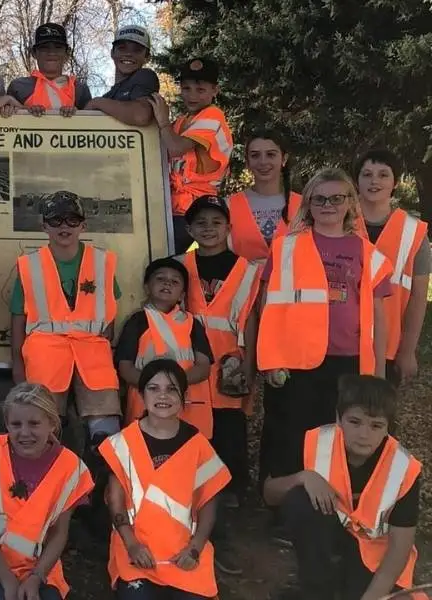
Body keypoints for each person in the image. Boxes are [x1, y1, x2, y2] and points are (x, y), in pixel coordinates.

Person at [256, 168, 394, 487]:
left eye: (336, 198)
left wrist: (378, 374)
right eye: (319, 198)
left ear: (350, 203)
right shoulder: (285, 248)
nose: (327, 204)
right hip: (294, 362)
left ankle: (333, 504)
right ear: (307, 204)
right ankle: (285, 509)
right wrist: (270, 360)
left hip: (346, 361)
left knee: (337, 437)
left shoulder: (367, 253)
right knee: (291, 435)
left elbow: (377, 316)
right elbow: (268, 308)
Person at [262, 375, 423, 600]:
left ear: (389, 428)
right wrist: (303, 477)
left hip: (376, 559)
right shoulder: (314, 440)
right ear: (339, 418)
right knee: (299, 500)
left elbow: (400, 546)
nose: (363, 434)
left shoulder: (404, 468)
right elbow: (270, 494)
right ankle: (317, 590)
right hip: (329, 543)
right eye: (354, 422)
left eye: (376, 425)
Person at [176, 195, 262, 575]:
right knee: (193, 443)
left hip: (229, 367)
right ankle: (189, 518)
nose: (208, 228)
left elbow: (253, 319)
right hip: (190, 367)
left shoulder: (247, 270)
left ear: (229, 227)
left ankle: (226, 525)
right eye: (200, 223)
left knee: (229, 442)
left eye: (216, 221)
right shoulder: (180, 266)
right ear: (190, 229)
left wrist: (250, 362)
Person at [0, 382, 94, 600]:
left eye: (34, 423)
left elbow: (59, 533)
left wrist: (37, 577)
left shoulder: (71, 468)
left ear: (52, 424)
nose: (24, 433)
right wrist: (7, 580)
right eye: (16, 424)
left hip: (37, 564)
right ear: (6, 424)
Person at [101, 359, 231, 600]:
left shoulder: (198, 444)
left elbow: (209, 503)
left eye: (171, 389)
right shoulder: (122, 443)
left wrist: (194, 549)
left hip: (184, 552)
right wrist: (132, 545)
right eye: (153, 388)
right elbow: (115, 502)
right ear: (141, 394)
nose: (163, 396)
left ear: (183, 395)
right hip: (135, 551)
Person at [10, 191, 122, 453]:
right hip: (44, 359)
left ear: (83, 224)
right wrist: (17, 365)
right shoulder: (30, 265)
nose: (64, 226)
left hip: (94, 359)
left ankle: (101, 491)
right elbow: (18, 317)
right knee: (44, 435)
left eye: (72, 220)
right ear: (44, 226)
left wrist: (105, 350)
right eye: (56, 220)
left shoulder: (102, 262)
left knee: (105, 439)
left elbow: (110, 312)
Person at [353, 149, 430, 386]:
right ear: (356, 181)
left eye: (383, 175)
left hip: (387, 347)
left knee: (376, 417)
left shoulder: (414, 232)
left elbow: (418, 299)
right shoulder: (339, 223)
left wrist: (407, 352)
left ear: (395, 182)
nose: (374, 181)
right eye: (367, 174)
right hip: (341, 344)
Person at [115, 257, 214, 438]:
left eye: (175, 281)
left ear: (183, 295)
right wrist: (153, 388)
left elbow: (203, 367)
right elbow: (125, 367)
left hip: (189, 407)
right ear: (146, 287)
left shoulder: (193, 323)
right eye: (160, 278)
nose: (167, 283)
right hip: (145, 406)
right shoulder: (137, 322)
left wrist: (173, 385)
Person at [147, 58, 232, 253]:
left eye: (200, 90)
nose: (192, 95)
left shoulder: (213, 116)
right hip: (175, 207)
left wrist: (162, 122)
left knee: (162, 261)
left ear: (215, 90)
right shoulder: (183, 121)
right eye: (186, 88)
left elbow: (176, 148)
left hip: (197, 210)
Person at [226, 131, 304, 261]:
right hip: (244, 280)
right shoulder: (229, 205)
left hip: (293, 280)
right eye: (255, 156)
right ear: (248, 161)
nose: (263, 162)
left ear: (283, 159)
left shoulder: (304, 205)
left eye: (270, 155)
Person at [6, 23, 92, 117]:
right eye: (44, 47)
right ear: (34, 53)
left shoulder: (79, 89)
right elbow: (6, 119)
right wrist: (27, 110)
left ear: (67, 54)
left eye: (58, 48)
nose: (51, 52)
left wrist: (76, 113)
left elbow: (94, 122)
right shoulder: (19, 87)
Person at [85, 24, 159, 127]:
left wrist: (96, 103)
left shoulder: (145, 76)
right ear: (112, 53)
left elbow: (141, 115)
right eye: (122, 48)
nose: (128, 54)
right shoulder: (108, 97)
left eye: (137, 50)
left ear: (147, 57)